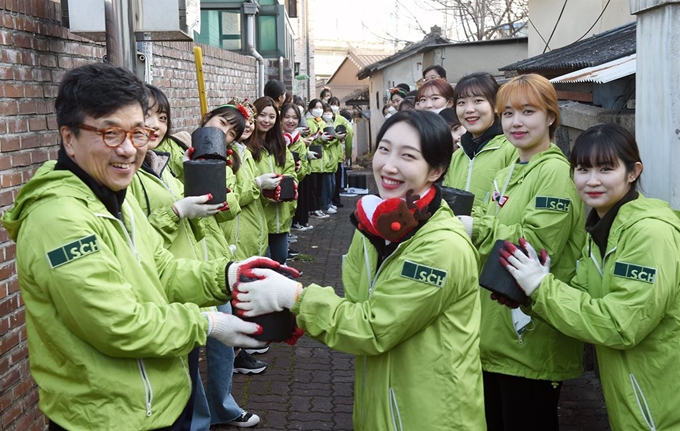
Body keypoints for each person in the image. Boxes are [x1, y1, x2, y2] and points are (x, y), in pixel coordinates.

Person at [0, 62, 274, 430]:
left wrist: (228, 276)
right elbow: (117, 324)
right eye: (110, 133)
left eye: (138, 133)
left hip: (157, 402)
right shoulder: (59, 219)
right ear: (69, 138)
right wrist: (206, 322)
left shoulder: (116, 197)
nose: (129, 149)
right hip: (109, 417)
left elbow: (160, 268)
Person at [233, 110, 487, 430]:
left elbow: (372, 328)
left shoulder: (441, 247)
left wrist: (296, 299)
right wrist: (299, 317)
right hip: (383, 399)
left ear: (435, 169)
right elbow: (356, 305)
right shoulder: (380, 227)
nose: (388, 165)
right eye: (384, 149)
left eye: (407, 155)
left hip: (429, 414)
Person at [500, 122, 680, 431]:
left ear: (633, 172)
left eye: (606, 169)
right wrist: (529, 297)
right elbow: (581, 301)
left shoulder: (650, 233)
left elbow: (621, 325)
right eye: (582, 169)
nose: (592, 181)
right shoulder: (599, 231)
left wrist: (542, 288)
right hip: (635, 398)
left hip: (663, 403)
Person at [457, 74, 586, 431]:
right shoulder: (510, 169)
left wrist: (476, 228)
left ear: (550, 117)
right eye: (508, 113)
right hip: (495, 335)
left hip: (530, 338)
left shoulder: (556, 173)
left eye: (528, 111)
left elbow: (534, 246)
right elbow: (485, 217)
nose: (516, 122)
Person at [131, 86, 260, 428]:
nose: (155, 125)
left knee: (207, 351)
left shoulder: (173, 161)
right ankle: (202, 418)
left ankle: (218, 409)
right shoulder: (140, 169)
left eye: (162, 118)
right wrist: (177, 211)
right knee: (184, 361)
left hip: (202, 263)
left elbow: (223, 210)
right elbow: (136, 239)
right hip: (168, 281)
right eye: (147, 116)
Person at [443, 71, 517, 209]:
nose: (469, 109)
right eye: (462, 103)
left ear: (495, 105)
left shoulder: (512, 150)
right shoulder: (457, 156)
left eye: (478, 101)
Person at [246, 96, 297, 264]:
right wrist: (262, 186)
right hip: (257, 214)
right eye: (262, 115)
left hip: (280, 215)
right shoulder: (246, 146)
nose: (267, 120)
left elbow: (290, 169)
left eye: (272, 117)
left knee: (281, 258)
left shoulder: (280, 143)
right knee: (262, 263)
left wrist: (288, 184)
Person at [281, 102, 315, 231]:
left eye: (295, 118)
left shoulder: (300, 142)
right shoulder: (273, 139)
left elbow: (302, 173)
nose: (291, 121)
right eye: (287, 117)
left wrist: (298, 167)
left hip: (290, 188)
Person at [304, 98, 333, 218]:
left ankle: (318, 208)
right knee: (313, 188)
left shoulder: (323, 123)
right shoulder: (308, 122)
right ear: (310, 109)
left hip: (322, 161)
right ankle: (313, 208)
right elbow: (308, 138)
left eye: (321, 107)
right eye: (316, 107)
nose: (319, 110)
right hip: (313, 160)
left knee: (319, 188)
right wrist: (319, 138)